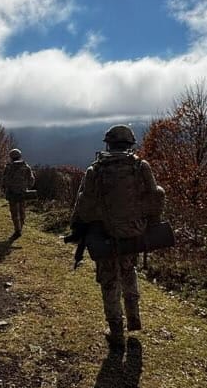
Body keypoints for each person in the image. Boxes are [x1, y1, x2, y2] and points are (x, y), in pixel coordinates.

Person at [70, 125, 165, 349]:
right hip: (134, 233)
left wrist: (78, 227)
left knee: (109, 281)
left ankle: (116, 332)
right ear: (130, 144)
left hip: (106, 235)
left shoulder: (95, 170)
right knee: (129, 271)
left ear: (108, 144)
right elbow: (155, 195)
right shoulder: (141, 166)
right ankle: (134, 320)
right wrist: (149, 223)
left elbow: (83, 205)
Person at [1, 148, 35, 237]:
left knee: (14, 212)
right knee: (22, 210)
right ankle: (21, 227)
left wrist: (5, 187)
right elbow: (32, 179)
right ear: (20, 156)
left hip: (12, 192)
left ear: (11, 157)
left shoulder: (8, 167)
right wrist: (27, 187)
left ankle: (17, 230)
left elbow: (4, 180)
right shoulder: (26, 166)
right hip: (22, 192)